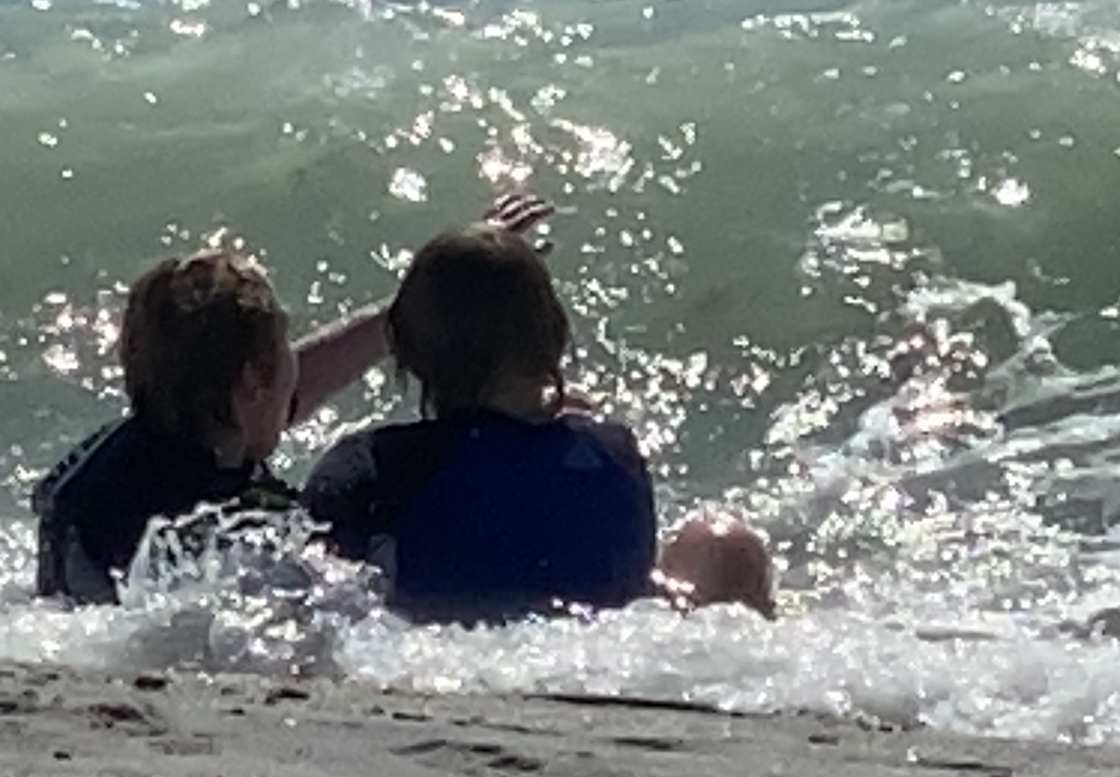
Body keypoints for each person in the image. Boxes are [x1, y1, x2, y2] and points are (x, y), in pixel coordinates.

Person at [32, 198, 543, 605]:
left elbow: (278, 395)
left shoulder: (120, 457)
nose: (294, 369)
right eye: (283, 353)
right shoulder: (241, 522)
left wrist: (431, 299)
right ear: (253, 380)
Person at [301, 223, 774, 623]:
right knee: (724, 545)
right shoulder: (614, 453)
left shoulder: (370, 468)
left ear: (407, 352)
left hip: (431, 657)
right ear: (556, 334)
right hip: (599, 656)